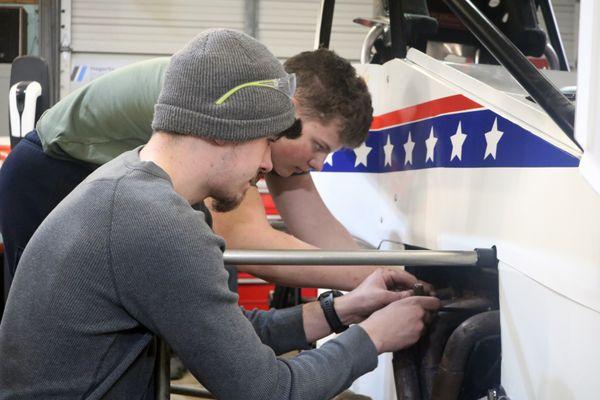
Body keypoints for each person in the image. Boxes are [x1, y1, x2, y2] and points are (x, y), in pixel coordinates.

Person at [0, 29, 440, 399]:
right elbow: (265, 390)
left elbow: (220, 328)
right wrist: (373, 337)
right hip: (42, 169)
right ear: (230, 131)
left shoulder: (135, 178)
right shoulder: (157, 221)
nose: (268, 166)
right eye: (266, 142)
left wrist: (343, 308)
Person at [0, 44, 408, 297]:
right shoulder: (242, 104)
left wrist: (387, 274)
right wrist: (369, 281)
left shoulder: (273, 124)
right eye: (319, 146)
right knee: (52, 323)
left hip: (106, 185)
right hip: (50, 174)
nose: (318, 164)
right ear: (292, 109)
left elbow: (320, 232)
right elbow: (244, 240)